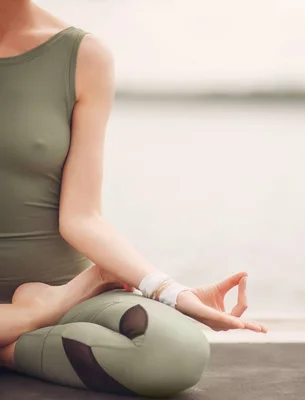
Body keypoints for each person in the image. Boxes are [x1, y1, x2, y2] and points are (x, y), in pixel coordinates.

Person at [0, 1, 267, 397]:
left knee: (174, 353)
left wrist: (172, 292)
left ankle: (19, 335)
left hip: (62, 287)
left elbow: (82, 216)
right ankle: (29, 318)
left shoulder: (80, 56)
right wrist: (35, 313)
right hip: (50, 306)